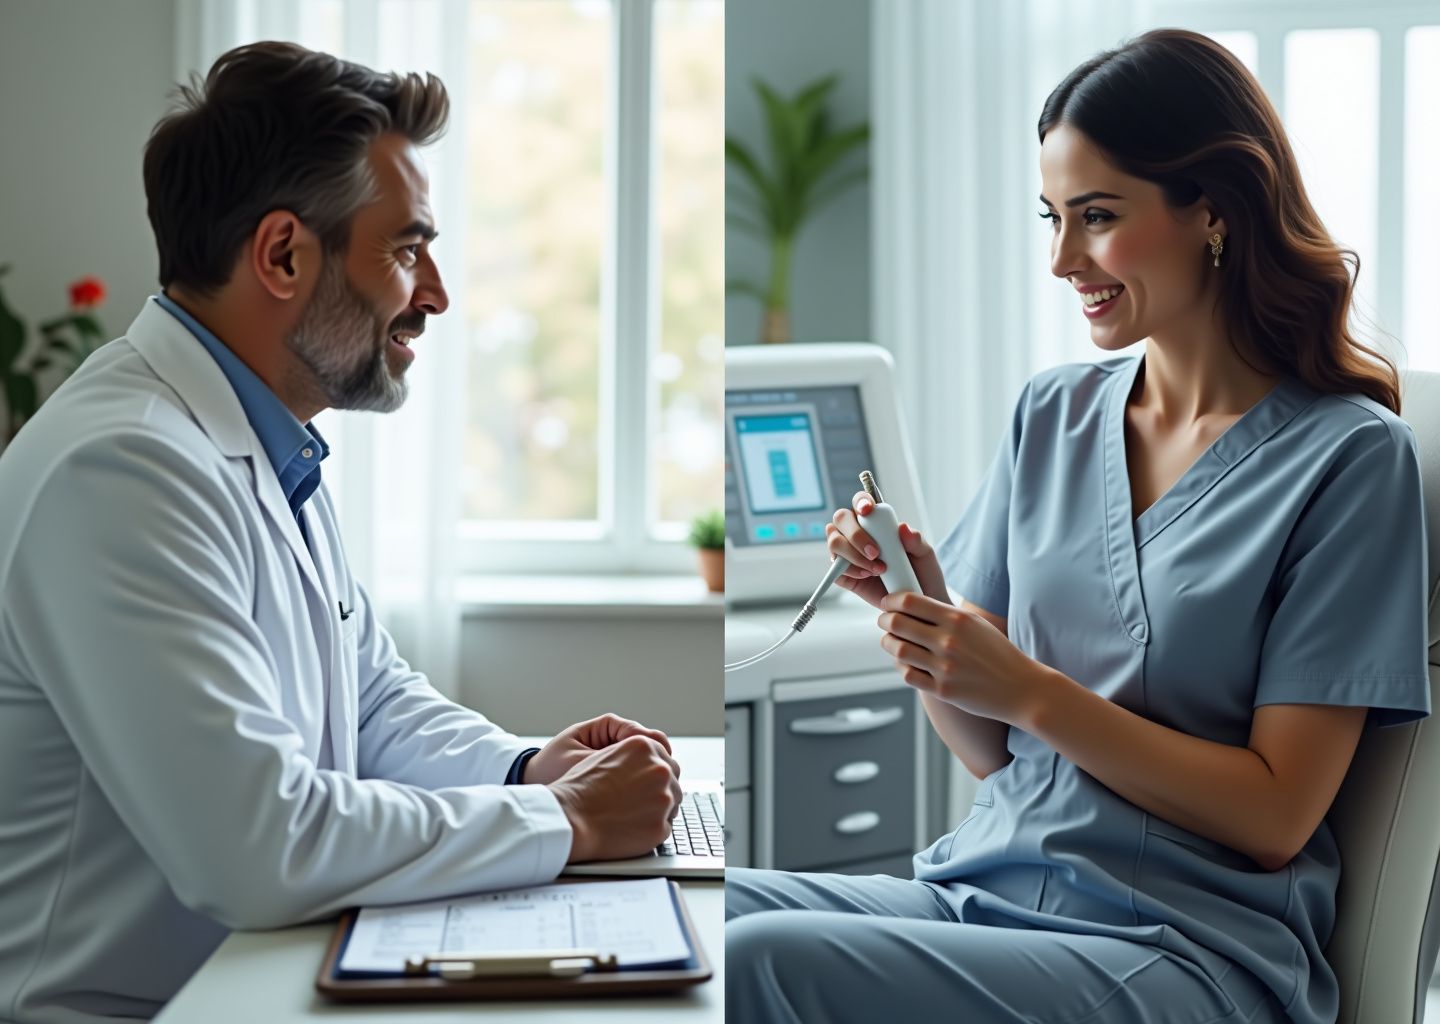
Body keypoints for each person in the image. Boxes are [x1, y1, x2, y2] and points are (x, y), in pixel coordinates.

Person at [726, 27, 1430, 1024]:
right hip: (983, 894)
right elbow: (992, 752)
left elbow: (1277, 815)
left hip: (1183, 947)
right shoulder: (1050, 414)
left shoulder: (1350, 461)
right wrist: (921, 616)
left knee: (762, 962)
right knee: (705, 911)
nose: (1062, 259)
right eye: (1052, 217)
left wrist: (1033, 689)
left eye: (1097, 217)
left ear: (1215, 211)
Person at [0, 42, 682, 1023]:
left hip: (240, 981)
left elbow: (365, 699)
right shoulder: (118, 470)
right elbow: (257, 845)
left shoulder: (261, 440)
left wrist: (524, 770)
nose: (435, 293)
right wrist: (565, 818)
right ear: (282, 254)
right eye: (407, 250)